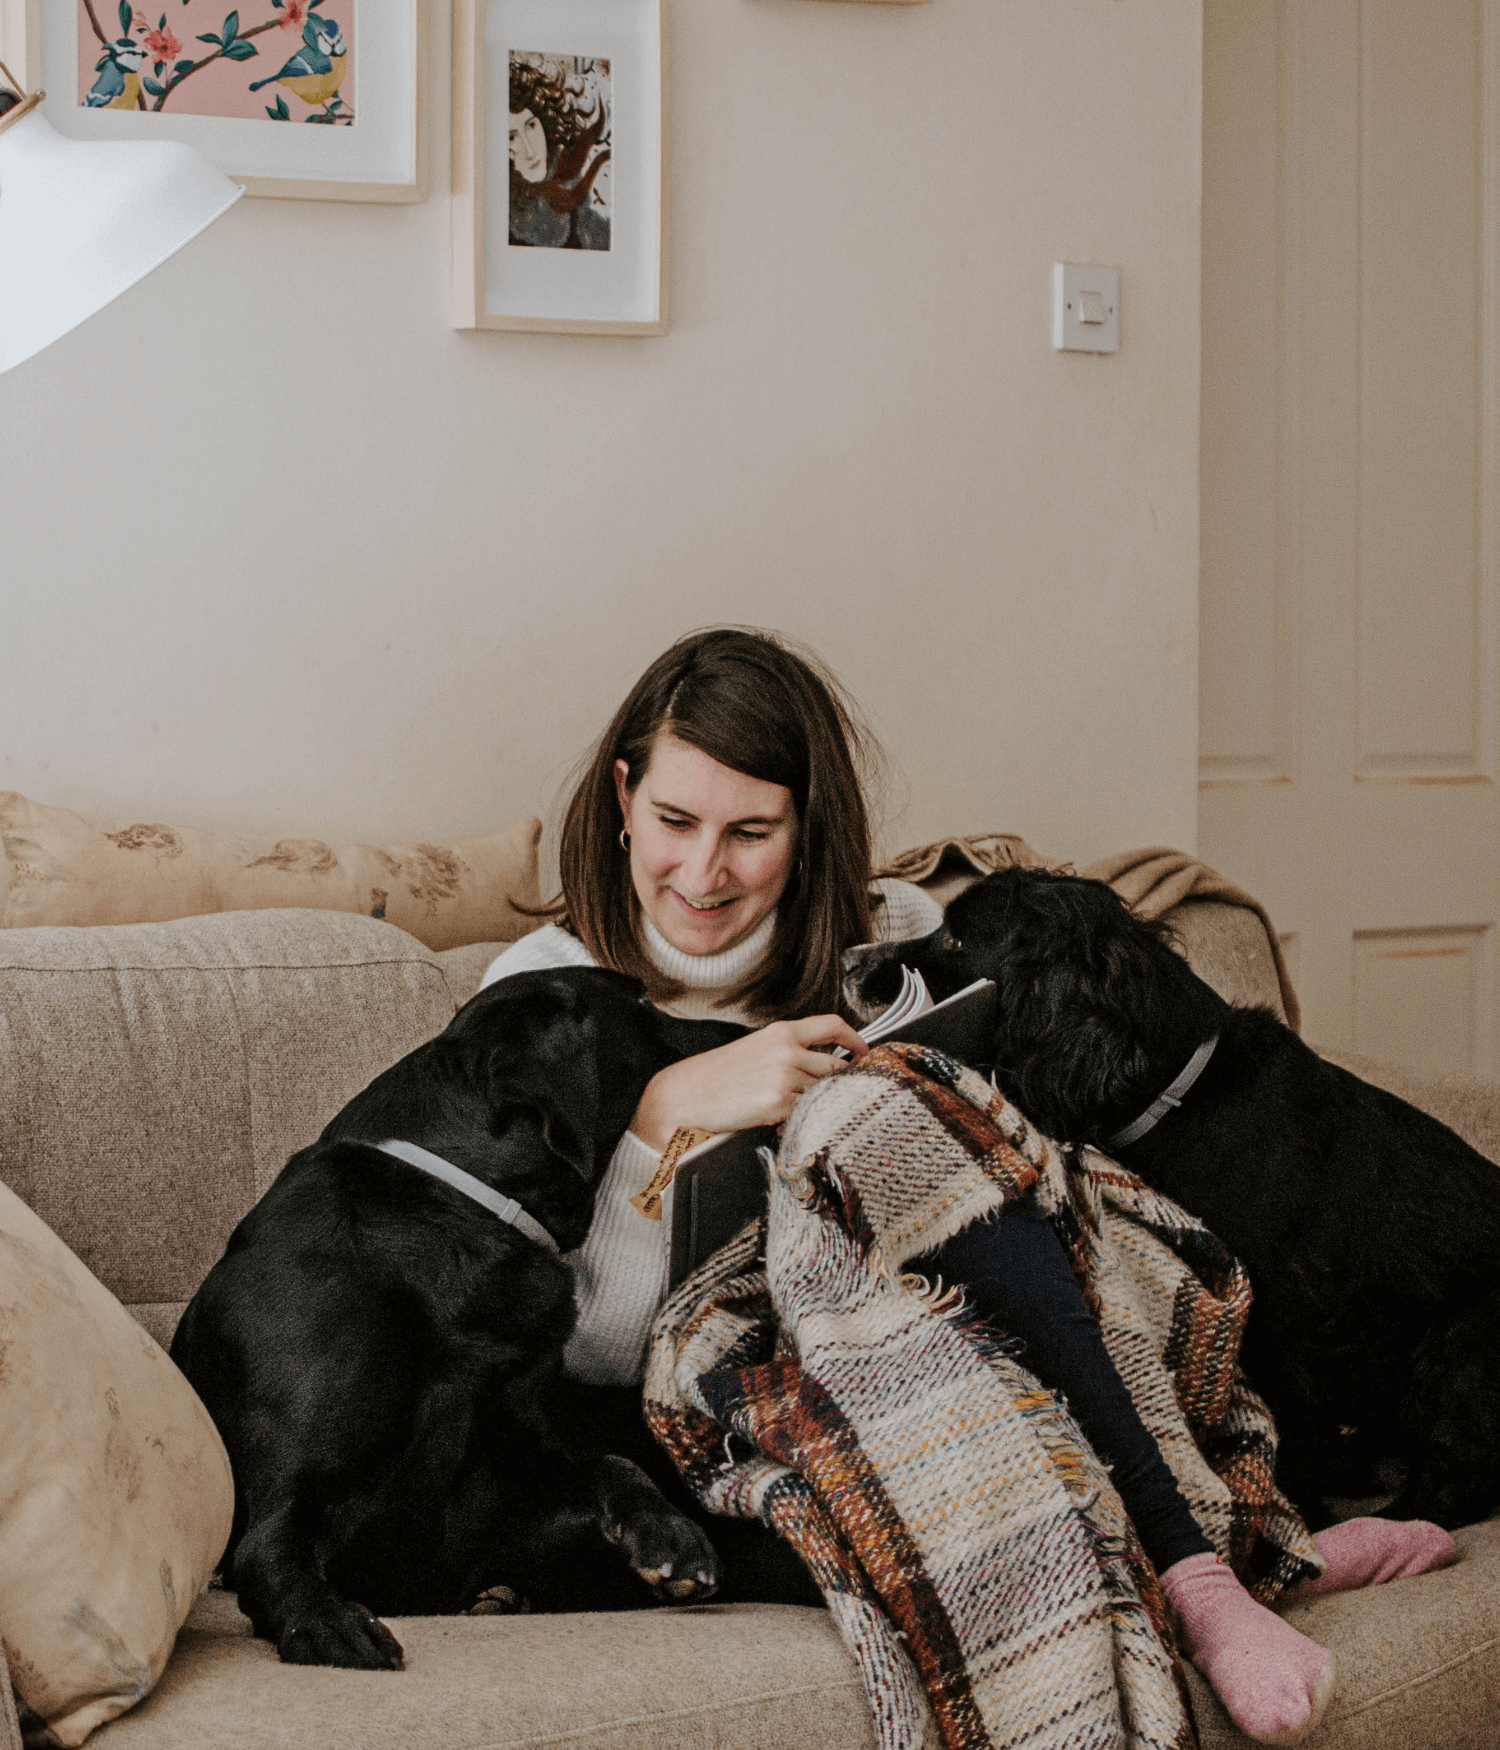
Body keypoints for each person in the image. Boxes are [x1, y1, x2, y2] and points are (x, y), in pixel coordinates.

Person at [481, 627, 1453, 1746]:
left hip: (941, 1328)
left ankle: (1201, 1565)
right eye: (675, 822)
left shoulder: (895, 942)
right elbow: (582, 1350)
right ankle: (1211, 1556)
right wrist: (666, 1119)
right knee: (864, 1122)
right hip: (731, 1389)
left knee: (904, 1118)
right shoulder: (537, 1001)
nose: (703, 874)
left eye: (752, 832)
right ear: (621, 797)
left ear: (809, 828)